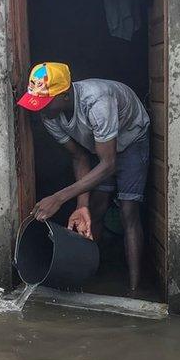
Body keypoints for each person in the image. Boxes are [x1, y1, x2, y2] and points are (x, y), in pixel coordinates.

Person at [17, 62, 150, 292]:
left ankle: (134, 288)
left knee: (129, 210)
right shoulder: (50, 116)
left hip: (131, 139)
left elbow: (108, 165)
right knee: (95, 207)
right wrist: (81, 205)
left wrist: (59, 198)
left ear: (65, 95)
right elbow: (79, 157)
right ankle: (88, 275)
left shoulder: (98, 102)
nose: (41, 110)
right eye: (37, 104)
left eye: (46, 103)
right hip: (100, 146)